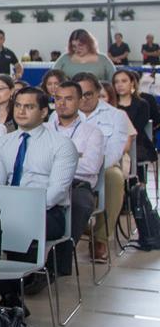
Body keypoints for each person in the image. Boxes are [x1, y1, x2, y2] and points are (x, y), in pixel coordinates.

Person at [0, 88, 79, 268]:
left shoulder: (62, 145)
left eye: (29, 107)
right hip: (8, 209)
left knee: (18, 226)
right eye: (18, 106)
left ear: (43, 112)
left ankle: (19, 280)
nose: (21, 111)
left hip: (47, 212)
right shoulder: (1, 143)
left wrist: (25, 210)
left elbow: (57, 191)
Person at [71, 72, 132, 262]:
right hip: (70, 168)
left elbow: (114, 152)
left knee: (114, 177)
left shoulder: (116, 116)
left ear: (98, 92)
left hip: (103, 167)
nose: (84, 99)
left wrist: (90, 163)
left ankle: (101, 238)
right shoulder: (61, 114)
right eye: (79, 95)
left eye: (88, 94)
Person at [46, 81, 104, 277]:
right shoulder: (44, 129)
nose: (62, 104)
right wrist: (73, 158)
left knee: (79, 204)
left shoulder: (92, 132)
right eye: (58, 99)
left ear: (80, 101)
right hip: (45, 182)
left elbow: (90, 167)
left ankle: (57, 266)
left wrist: (55, 162)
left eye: (68, 99)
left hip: (77, 185)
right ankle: (29, 260)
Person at [112, 69, 158, 175]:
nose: (120, 85)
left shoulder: (142, 104)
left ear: (132, 83)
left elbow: (136, 127)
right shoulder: (110, 104)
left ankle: (135, 181)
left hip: (137, 142)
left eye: (124, 81)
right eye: (116, 82)